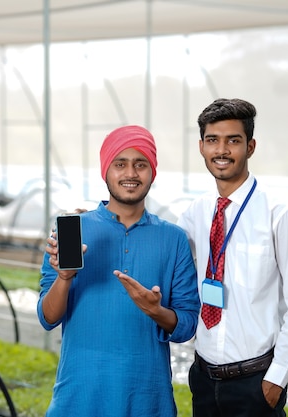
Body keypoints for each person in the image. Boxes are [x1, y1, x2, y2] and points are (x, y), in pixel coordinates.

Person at [37, 125, 201, 417]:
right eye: (120, 164)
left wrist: (156, 311)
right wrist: (64, 279)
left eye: (141, 164)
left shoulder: (173, 239)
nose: (130, 173)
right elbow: (48, 318)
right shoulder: (73, 230)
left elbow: (187, 325)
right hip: (79, 398)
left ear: (152, 172)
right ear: (106, 171)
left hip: (148, 400)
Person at [177, 98, 288, 417]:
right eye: (213, 140)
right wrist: (96, 220)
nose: (221, 150)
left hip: (256, 383)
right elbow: (159, 247)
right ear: (201, 147)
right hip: (203, 378)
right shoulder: (195, 212)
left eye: (233, 140)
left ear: (250, 146)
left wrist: (276, 380)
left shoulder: (282, 212)